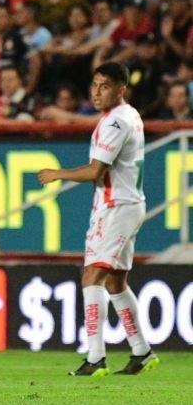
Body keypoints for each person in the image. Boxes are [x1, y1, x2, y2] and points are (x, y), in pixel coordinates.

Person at [38, 62, 157, 377]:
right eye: (94, 85)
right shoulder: (127, 114)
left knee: (92, 276)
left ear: (121, 89)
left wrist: (56, 174)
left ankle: (95, 358)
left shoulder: (115, 123)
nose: (96, 92)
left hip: (116, 205)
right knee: (116, 281)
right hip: (127, 203)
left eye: (104, 86)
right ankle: (142, 351)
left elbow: (95, 171)